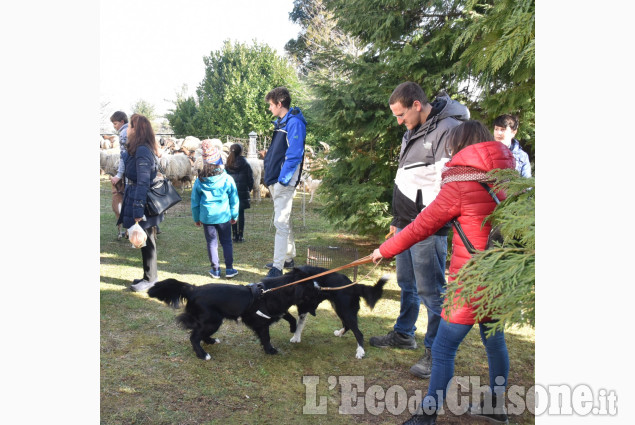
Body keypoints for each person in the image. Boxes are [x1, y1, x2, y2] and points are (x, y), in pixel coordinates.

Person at [371, 121, 515, 425]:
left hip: (472, 280)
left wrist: (385, 250)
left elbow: (423, 225)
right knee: (494, 339)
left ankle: (427, 415)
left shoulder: (460, 183)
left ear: (458, 146)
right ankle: (495, 405)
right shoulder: (509, 177)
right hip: (502, 275)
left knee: (444, 346)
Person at [369, 82, 469, 380]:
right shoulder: (413, 130)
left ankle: (435, 350)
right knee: (407, 283)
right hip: (405, 222)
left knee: (431, 291)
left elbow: (446, 184)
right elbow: (407, 177)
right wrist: (397, 218)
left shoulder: (447, 129)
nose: (398, 121)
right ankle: (403, 333)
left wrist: (424, 221)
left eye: (401, 114)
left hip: (427, 226)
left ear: (416, 104)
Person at [263, 87, 306, 278]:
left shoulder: (294, 123)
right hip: (275, 180)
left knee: (279, 222)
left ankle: (277, 267)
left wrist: (283, 180)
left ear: (280, 104)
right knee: (284, 219)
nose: (270, 108)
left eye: (271, 105)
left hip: (283, 182)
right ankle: (288, 258)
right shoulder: (281, 123)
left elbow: (295, 154)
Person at [117, 114, 163, 292]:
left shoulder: (143, 150)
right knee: (145, 240)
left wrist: (138, 208)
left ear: (137, 129)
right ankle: (148, 276)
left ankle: (151, 279)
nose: (127, 129)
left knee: (147, 240)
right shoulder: (138, 149)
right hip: (136, 196)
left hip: (141, 200)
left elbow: (143, 181)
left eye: (129, 126)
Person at [191, 139, 240, 279]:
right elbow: (234, 199)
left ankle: (216, 270)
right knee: (226, 242)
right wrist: (234, 215)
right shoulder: (227, 179)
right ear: (219, 160)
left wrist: (196, 218)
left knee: (212, 243)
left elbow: (195, 202)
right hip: (224, 216)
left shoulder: (199, 181)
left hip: (207, 217)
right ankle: (229, 269)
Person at [225, 143, 254, 243]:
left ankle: (234, 235)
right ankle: (240, 235)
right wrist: (248, 189)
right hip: (242, 191)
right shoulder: (245, 164)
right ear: (241, 151)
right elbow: (250, 178)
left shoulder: (227, 164)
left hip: (230, 192)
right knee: (241, 214)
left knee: (232, 213)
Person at [110, 111, 129, 186]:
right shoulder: (134, 130)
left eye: (115, 123)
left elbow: (124, 155)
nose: (114, 126)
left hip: (131, 168)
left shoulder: (124, 133)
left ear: (122, 122)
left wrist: (119, 175)